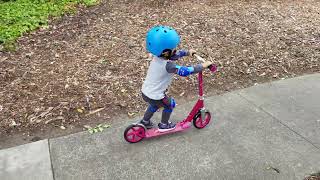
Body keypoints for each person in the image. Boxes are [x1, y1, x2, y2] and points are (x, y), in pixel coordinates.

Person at [140, 25, 213, 132]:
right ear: (166, 52)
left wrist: (187, 52)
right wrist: (202, 66)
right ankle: (164, 125)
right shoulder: (168, 65)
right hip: (155, 95)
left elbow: (175, 55)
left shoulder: (158, 57)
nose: (176, 49)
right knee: (170, 105)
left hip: (146, 92)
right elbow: (185, 71)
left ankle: (145, 122)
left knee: (154, 106)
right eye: (174, 48)